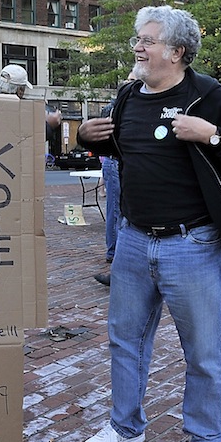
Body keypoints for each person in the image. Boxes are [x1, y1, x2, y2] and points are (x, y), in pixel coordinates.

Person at [76, 5, 221, 442]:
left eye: (147, 40)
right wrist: (87, 137)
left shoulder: (208, 95)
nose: (138, 48)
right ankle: (125, 428)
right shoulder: (128, 96)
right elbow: (124, 148)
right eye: (137, 39)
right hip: (132, 241)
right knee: (126, 341)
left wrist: (212, 134)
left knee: (203, 352)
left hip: (193, 245)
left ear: (177, 51)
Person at [93, 71, 137, 287]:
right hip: (115, 160)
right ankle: (115, 254)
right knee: (117, 209)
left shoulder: (122, 105)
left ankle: (118, 254)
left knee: (121, 209)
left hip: (119, 161)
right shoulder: (118, 107)